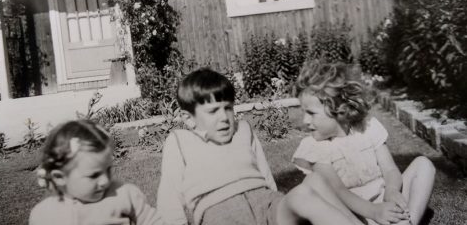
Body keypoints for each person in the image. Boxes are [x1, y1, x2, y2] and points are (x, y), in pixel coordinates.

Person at [157, 67, 364, 225]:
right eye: (213, 111)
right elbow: (169, 199)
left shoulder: (243, 130)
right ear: (189, 118)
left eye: (228, 108)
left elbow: (265, 176)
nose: (224, 118)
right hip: (220, 213)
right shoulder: (180, 141)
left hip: (266, 203)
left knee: (314, 182)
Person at [292, 61, 436, 225]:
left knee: (423, 164)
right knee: (318, 195)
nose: (305, 120)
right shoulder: (314, 147)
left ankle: (410, 221)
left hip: (382, 202)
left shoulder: (368, 129)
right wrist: (373, 212)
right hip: (351, 214)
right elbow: (339, 191)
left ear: (339, 110)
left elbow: (389, 168)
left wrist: (392, 189)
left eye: (311, 113)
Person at [29, 119, 162, 225]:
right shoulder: (44, 215)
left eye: (108, 169)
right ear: (59, 177)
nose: (105, 181)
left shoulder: (124, 195)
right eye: (93, 175)